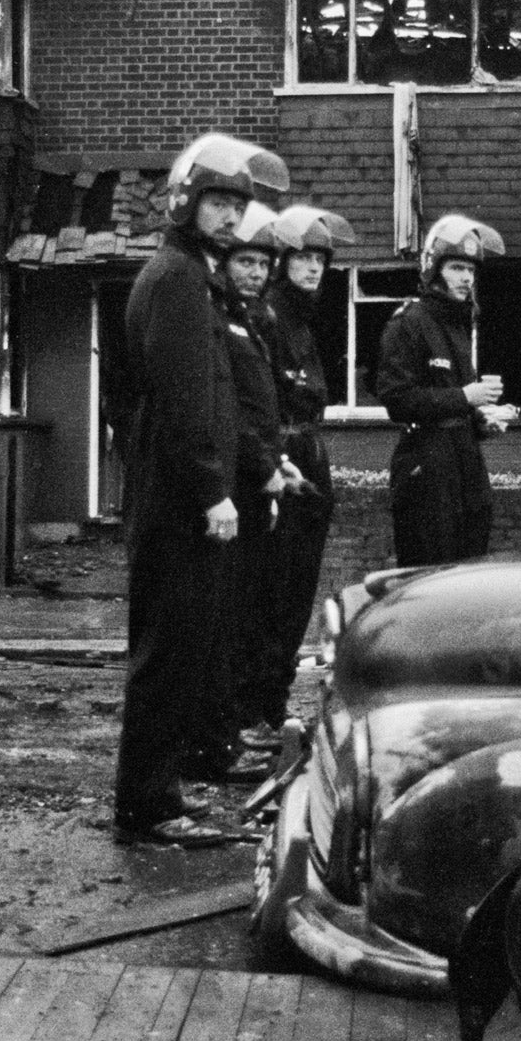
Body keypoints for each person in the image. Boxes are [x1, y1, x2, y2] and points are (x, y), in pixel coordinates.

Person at [114, 132, 287, 847]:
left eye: (236, 205)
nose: (228, 216)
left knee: (182, 649)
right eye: (217, 201)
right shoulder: (179, 278)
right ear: (187, 201)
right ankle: (148, 807)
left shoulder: (194, 277)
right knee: (167, 653)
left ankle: (159, 795)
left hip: (180, 494)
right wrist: (214, 491)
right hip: (181, 501)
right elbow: (186, 399)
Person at [191, 200, 298, 784]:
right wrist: (264, 466)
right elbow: (232, 413)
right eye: (245, 261)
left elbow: (263, 410)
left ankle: (226, 735)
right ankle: (215, 743)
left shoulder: (252, 321)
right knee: (221, 620)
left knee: (244, 613)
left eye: (263, 264)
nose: (255, 273)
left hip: (256, 479)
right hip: (233, 483)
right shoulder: (221, 320)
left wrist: (276, 462)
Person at [241, 202, 355, 742]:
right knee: (270, 586)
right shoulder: (267, 317)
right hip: (280, 454)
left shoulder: (309, 322)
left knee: (298, 591)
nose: (313, 269)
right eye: (304, 258)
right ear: (282, 261)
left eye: (321, 260)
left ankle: (272, 699)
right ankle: (254, 706)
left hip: (310, 453)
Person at [376, 214, 508, 567]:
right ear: (434, 270)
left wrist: (481, 419)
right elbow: (396, 399)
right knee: (427, 572)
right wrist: (465, 398)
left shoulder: (460, 325)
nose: (467, 278)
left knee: (469, 569)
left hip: (465, 462)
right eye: (456, 268)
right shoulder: (409, 322)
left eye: (471, 270)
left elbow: (454, 399)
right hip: (426, 467)